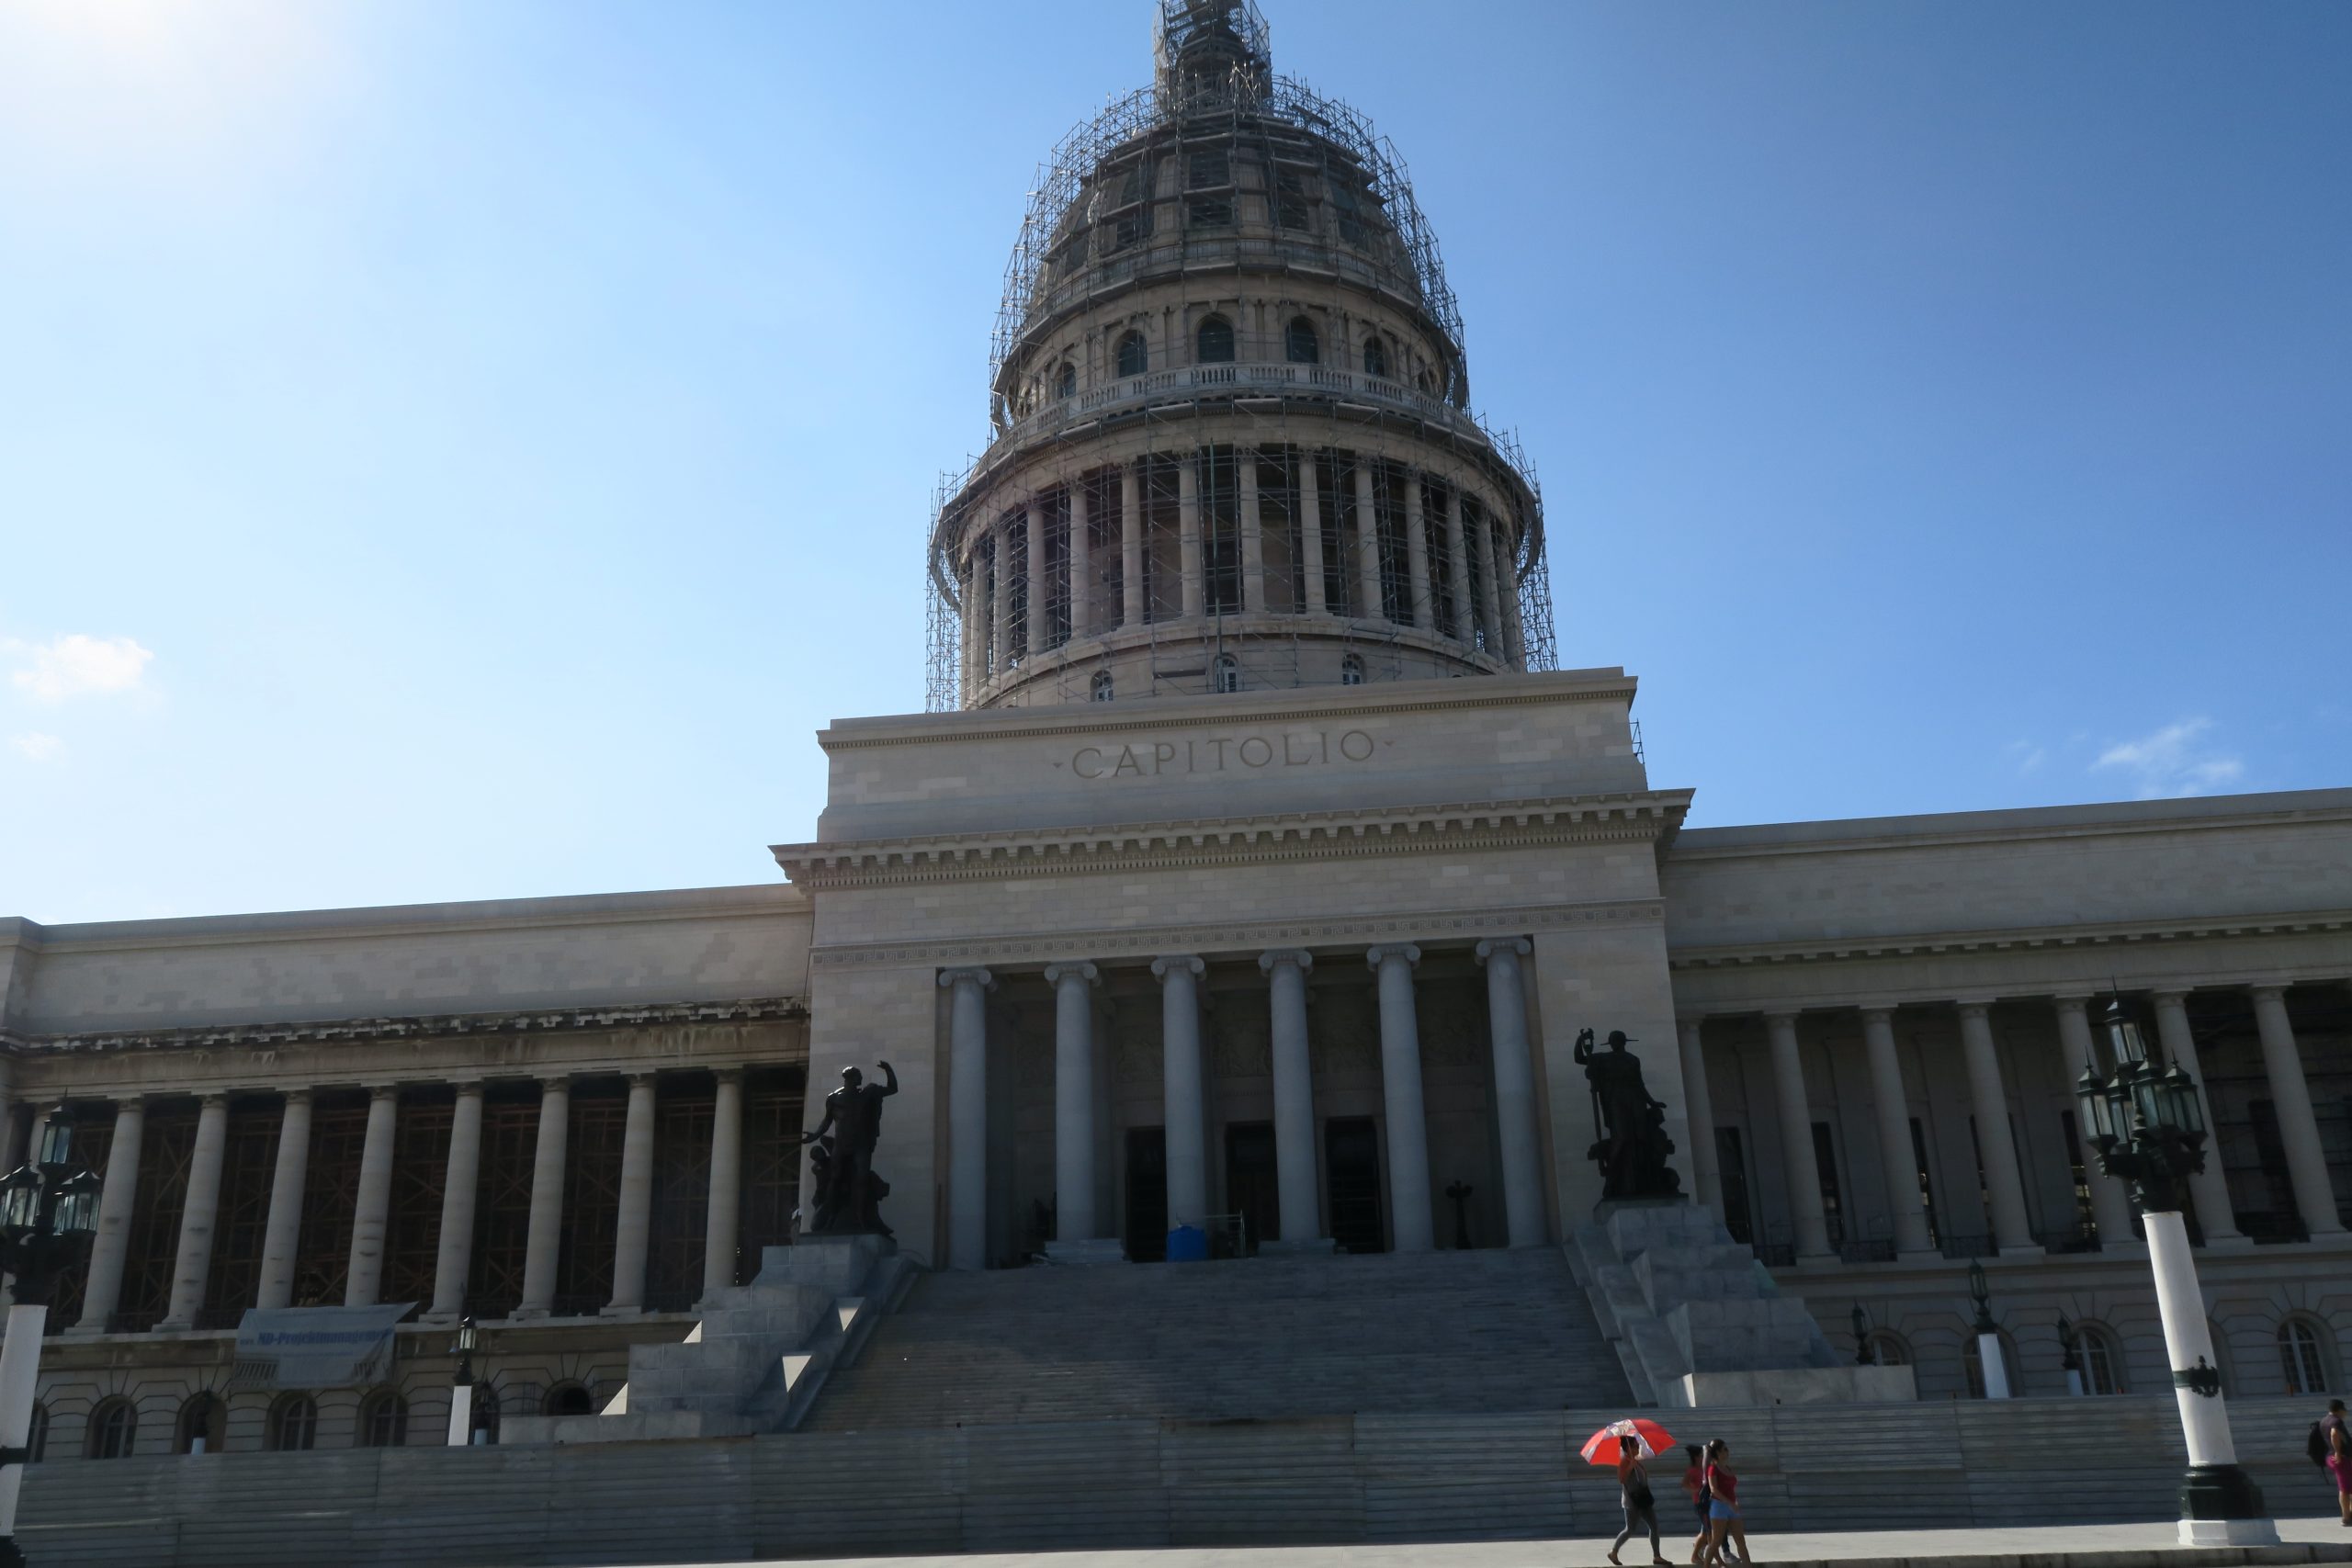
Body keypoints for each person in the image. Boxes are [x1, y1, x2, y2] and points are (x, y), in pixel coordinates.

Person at [1608, 1439, 1669, 1566]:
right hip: (1632, 1502)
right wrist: (1630, 1467)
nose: (1638, 1447)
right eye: (1636, 1445)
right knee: (1630, 1529)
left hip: (1643, 1500)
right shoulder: (1625, 1461)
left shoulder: (1636, 1461)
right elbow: (1622, 1479)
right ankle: (1613, 1552)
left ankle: (1657, 1556)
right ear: (1628, 1448)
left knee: (1654, 1526)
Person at [1701, 1438, 1751, 1567]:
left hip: (1732, 1506)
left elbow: (1730, 1489)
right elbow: (1714, 1490)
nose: (1728, 1451)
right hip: (1719, 1507)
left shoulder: (1727, 1468)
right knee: (1716, 1541)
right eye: (1725, 1449)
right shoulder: (1713, 1468)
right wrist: (1730, 1503)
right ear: (1718, 1452)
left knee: (1740, 1540)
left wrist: (1735, 1502)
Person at [1680, 1444, 1712, 1564]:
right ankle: (1695, 1555)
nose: (1703, 1457)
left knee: (1707, 1530)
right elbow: (1684, 1484)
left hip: (1707, 1502)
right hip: (1700, 1504)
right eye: (1701, 1455)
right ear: (1696, 1457)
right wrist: (1696, 1490)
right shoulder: (1692, 1470)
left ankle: (1699, 1549)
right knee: (1706, 1531)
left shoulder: (1703, 1468)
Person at [2324, 1398, 2351, 1527]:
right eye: (2344, 1409)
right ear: (2339, 1410)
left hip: (2331, 1457)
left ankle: (2349, 1514)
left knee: (2348, 1487)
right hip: (2341, 1458)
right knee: (2345, 1488)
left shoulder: (2324, 1421)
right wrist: (2338, 1452)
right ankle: (2346, 1518)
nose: (2346, 1412)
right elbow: (2334, 1434)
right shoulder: (2336, 1421)